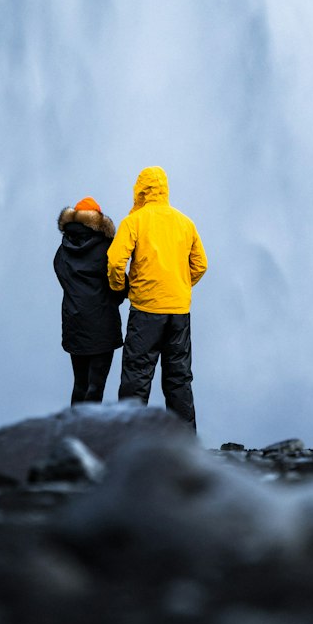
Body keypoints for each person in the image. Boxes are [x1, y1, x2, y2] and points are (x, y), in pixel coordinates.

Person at [107, 166, 207, 429]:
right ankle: (185, 449)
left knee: (137, 378)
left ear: (139, 191)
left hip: (146, 311)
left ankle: (130, 443)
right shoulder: (185, 222)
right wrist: (180, 285)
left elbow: (116, 261)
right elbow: (200, 265)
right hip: (179, 312)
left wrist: (122, 288)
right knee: (179, 379)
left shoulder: (135, 221)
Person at [53, 196, 126, 404]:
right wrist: (113, 300)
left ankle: (74, 430)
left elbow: (61, 275)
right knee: (96, 385)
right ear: (98, 219)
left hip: (74, 323)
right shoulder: (107, 248)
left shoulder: (63, 249)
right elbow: (120, 283)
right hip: (102, 325)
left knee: (79, 383)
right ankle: (90, 434)